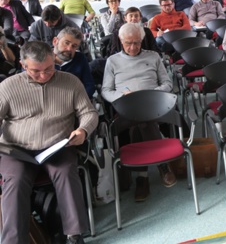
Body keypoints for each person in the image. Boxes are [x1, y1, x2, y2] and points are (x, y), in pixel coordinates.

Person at [0, 40, 98, 244]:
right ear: (22, 65)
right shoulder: (7, 87)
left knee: (65, 173)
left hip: (57, 146)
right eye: (36, 71)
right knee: (15, 182)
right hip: (17, 150)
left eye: (49, 68)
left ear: (54, 59)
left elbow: (88, 112)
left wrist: (83, 130)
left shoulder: (70, 81)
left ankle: (74, 235)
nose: (44, 75)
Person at [101, 23, 175, 201]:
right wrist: (122, 96)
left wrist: (152, 94)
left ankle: (142, 178)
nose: (132, 47)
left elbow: (167, 83)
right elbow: (105, 90)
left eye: (136, 43)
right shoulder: (113, 61)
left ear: (142, 40)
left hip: (153, 104)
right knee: (141, 120)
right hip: (126, 106)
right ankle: (162, 165)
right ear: (120, 40)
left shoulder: (154, 56)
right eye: (128, 43)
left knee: (141, 121)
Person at [53, 27, 95, 97]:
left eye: (74, 46)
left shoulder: (80, 58)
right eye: (66, 43)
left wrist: (78, 100)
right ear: (55, 41)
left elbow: (89, 85)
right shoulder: (42, 59)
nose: (69, 49)